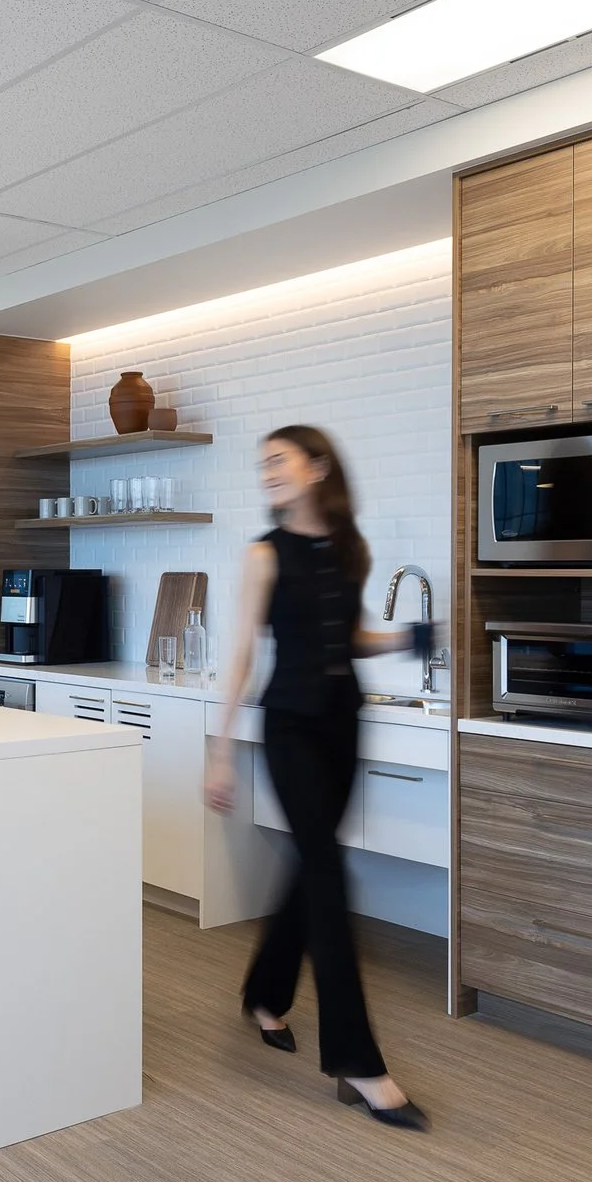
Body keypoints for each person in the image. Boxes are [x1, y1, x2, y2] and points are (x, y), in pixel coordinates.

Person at [204, 426, 432, 1132]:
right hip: (292, 729)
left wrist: (410, 636)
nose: (267, 471)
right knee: (330, 877)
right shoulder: (263, 556)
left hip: (343, 721)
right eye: (262, 463)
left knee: (313, 866)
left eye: (279, 460)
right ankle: (359, 1063)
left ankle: (265, 995)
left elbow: (352, 638)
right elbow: (241, 654)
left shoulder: (348, 547)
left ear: (317, 467)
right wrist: (219, 750)